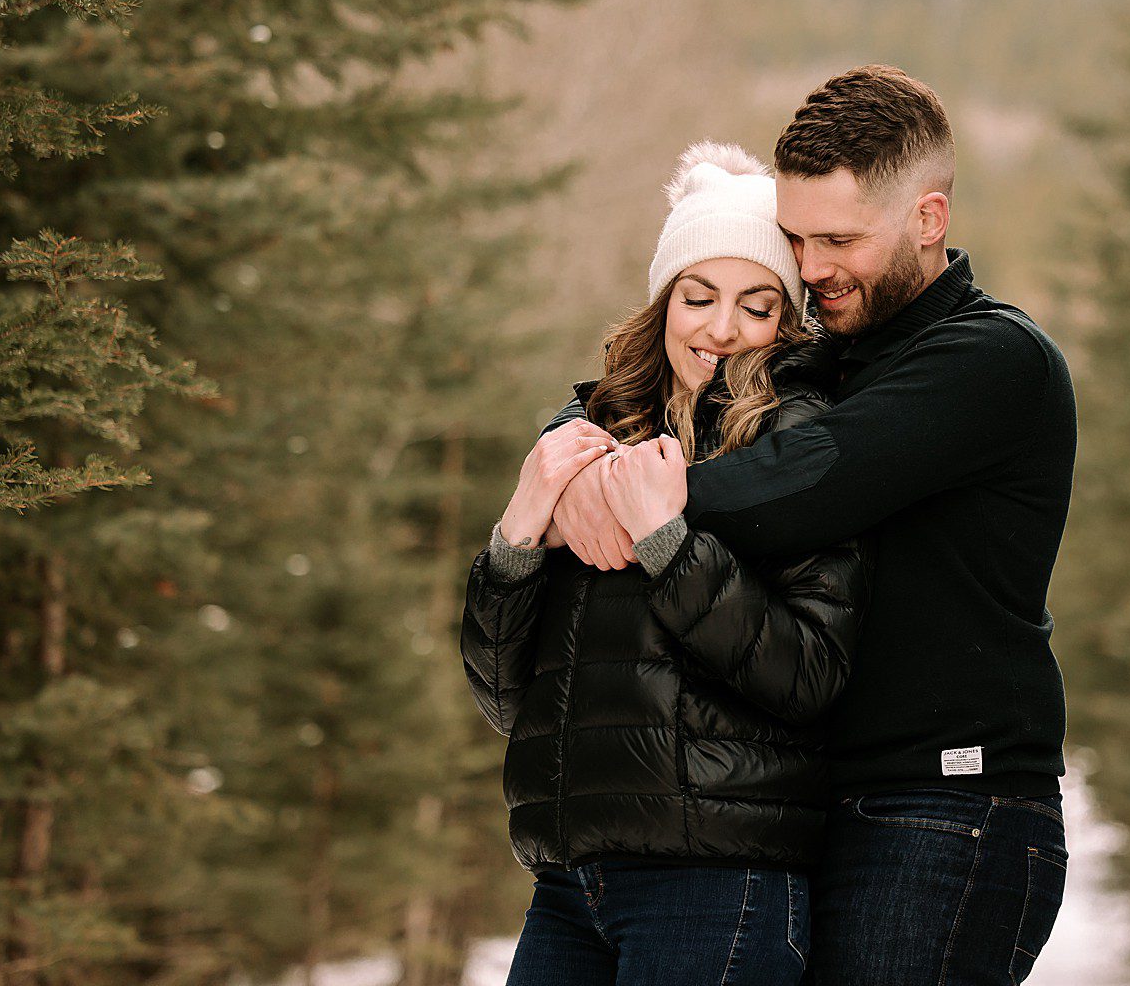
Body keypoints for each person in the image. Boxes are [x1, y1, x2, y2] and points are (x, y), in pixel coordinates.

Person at [547, 66, 1077, 984]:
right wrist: (569, 462)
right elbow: (666, 393)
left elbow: (795, 487)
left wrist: (619, 497)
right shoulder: (825, 356)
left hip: (949, 805)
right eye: (796, 238)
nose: (812, 267)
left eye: (838, 239)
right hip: (831, 805)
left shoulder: (991, 359)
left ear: (928, 219)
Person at [460, 143, 869, 985]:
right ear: (663, 304)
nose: (721, 327)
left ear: (788, 323)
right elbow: (502, 694)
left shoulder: (799, 445)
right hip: (569, 880)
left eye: (757, 306)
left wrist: (669, 548)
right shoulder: (581, 440)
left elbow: (811, 674)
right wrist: (517, 535)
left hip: (718, 881)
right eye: (698, 297)